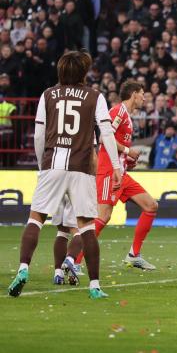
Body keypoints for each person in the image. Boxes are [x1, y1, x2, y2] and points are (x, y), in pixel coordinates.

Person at [7, 50, 122, 299]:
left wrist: (42, 166)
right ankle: (94, 287)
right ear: (83, 72)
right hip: (82, 167)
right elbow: (106, 133)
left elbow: (39, 135)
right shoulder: (95, 96)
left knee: (35, 219)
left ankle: (23, 268)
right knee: (86, 228)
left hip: (53, 164)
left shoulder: (47, 95)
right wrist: (116, 166)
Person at [77, 80, 159, 270]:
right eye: (142, 93)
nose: (144, 98)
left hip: (121, 173)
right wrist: (127, 151)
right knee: (103, 216)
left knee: (151, 206)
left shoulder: (128, 117)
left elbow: (116, 145)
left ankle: (134, 255)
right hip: (108, 172)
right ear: (133, 94)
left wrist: (128, 159)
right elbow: (104, 138)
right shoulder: (117, 112)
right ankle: (75, 260)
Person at [51, 196, 83, 285]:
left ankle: (58, 275)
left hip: (58, 188)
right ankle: (70, 260)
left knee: (62, 232)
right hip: (75, 188)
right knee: (81, 231)